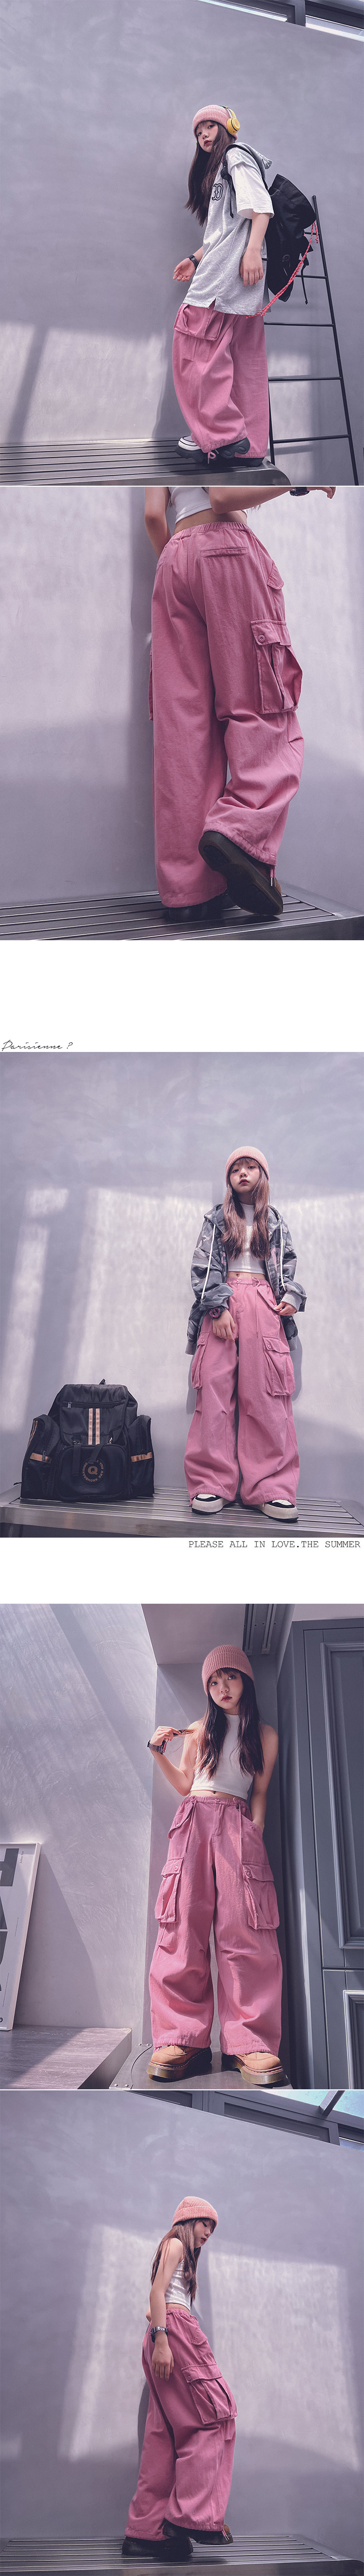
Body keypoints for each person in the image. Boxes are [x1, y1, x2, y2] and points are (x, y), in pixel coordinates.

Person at [145, 478, 304, 922]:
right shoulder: (224, 434)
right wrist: (297, 482)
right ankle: (239, 834)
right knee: (262, 707)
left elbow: (154, 516)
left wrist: (183, 562)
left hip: (174, 561)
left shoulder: (157, 447)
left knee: (185, 731)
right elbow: (222, 497)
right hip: (228, 552)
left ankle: (189, 891)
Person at [147, 1648, 284, 2088]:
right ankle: (181, 2038)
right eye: (214, 1682)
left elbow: (260, 1790)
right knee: (182, 1926)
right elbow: (186, 1784)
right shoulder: (200, 1728)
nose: (223, 1688)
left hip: (238, 1824)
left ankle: (250, 2042)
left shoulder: (264, 1734)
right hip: (193, 1820)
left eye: (231, 1678)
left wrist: (255, 1829)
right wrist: (158, 1753)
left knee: (247, 1931)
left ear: (246, 1681)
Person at [184, 1147, 305, 1518]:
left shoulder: (275, 1220)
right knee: (214, 1390)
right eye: (236, 1168)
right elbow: (203, 1266)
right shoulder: (217, 1218)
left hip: (264, 1304)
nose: (243, 1173)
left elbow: (287, 1266)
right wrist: (218, 1307)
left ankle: (271, 1488)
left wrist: (292, 1297)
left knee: (266, 1394)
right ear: (229, 1179)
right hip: (223, 1301)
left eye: (251, 1167)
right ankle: (211, 1483)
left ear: (262, 1175)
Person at [123, 2195, 236, 2560]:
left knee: (164, 2437)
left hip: (168, 2330)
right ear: (188, 2221)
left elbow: (156, 2302)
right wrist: (163, 2338)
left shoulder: (179, 2254)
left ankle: (146, 2533)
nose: (209, 2232)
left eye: (213, 2228)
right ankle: (191, 2518)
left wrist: (159, 2331)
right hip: (174, 2333)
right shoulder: (174, 2243)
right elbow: (156, 2293)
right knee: (215, 2419)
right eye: (205, 2224)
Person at [172, 106, 273, 464]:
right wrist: (196, 258)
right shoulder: (223, 168)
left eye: (210, 126)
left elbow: (261, 208)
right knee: (245, 361)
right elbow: (225, 231)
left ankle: (221, 434)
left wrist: (253, 251)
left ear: (228, 126)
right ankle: (249, 447)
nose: (203, 135)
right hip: (236, 281)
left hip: (225, 278)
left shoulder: (235, 156)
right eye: (198, 131)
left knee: (193, 350)